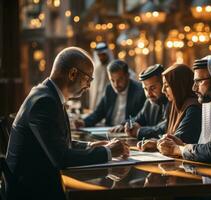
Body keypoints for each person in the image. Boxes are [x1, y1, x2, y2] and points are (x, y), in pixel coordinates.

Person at [6, 47, 129, 199]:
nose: (89, 86)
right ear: (72, 74)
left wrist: (90, 145)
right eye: (88, 79)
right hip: (32, 191)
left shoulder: (47, 94)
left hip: (36, 181)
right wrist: (109, 152)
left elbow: (57, 142)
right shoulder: (45, 102)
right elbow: (61, 159)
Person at [139, 64, 202, 151]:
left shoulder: (193, 108)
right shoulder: (175, 105)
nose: (163, 90)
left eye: (167, 85)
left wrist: (156, 143)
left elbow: (178, 141)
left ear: (179, 85)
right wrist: (155, 142)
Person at [75, 60, 145, 127]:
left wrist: (125, 125)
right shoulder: (109, 89)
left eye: (120, 80)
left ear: (128, 76)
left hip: (128, 132)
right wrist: (83, 122)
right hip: (109, 130)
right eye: (112, 80)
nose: (116, 84)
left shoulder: (140, 91)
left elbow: (141, 117)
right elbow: (99, 112)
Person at [110, 64, 169, 140]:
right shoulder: (149, 102)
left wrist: (139, 131)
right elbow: (139, 119)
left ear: (164, 84)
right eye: (145, 89)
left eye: (153, 88)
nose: (149, 94)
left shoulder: (172, 102)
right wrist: (125, 125)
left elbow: (164, 129)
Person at [89, 42, 114, 110]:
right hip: (98, 101)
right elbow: (94, 90)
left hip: (111, 100)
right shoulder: (96, 69)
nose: (101, 57)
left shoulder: (114, 67)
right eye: (99, 55)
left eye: (103, 55)